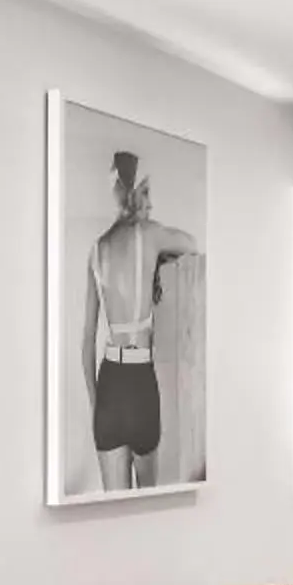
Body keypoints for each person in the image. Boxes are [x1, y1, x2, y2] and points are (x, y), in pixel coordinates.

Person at [82, 149, 197, 491]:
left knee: (112, 515)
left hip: (109, 386)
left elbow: (86, 338)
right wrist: (158, 260)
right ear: (133, 194)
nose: (151, 203)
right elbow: (192, 244)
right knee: (150, 508)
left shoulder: (97, 249)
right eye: (146, 193)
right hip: (140, 383)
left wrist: (95, 403)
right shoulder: (151, 235)